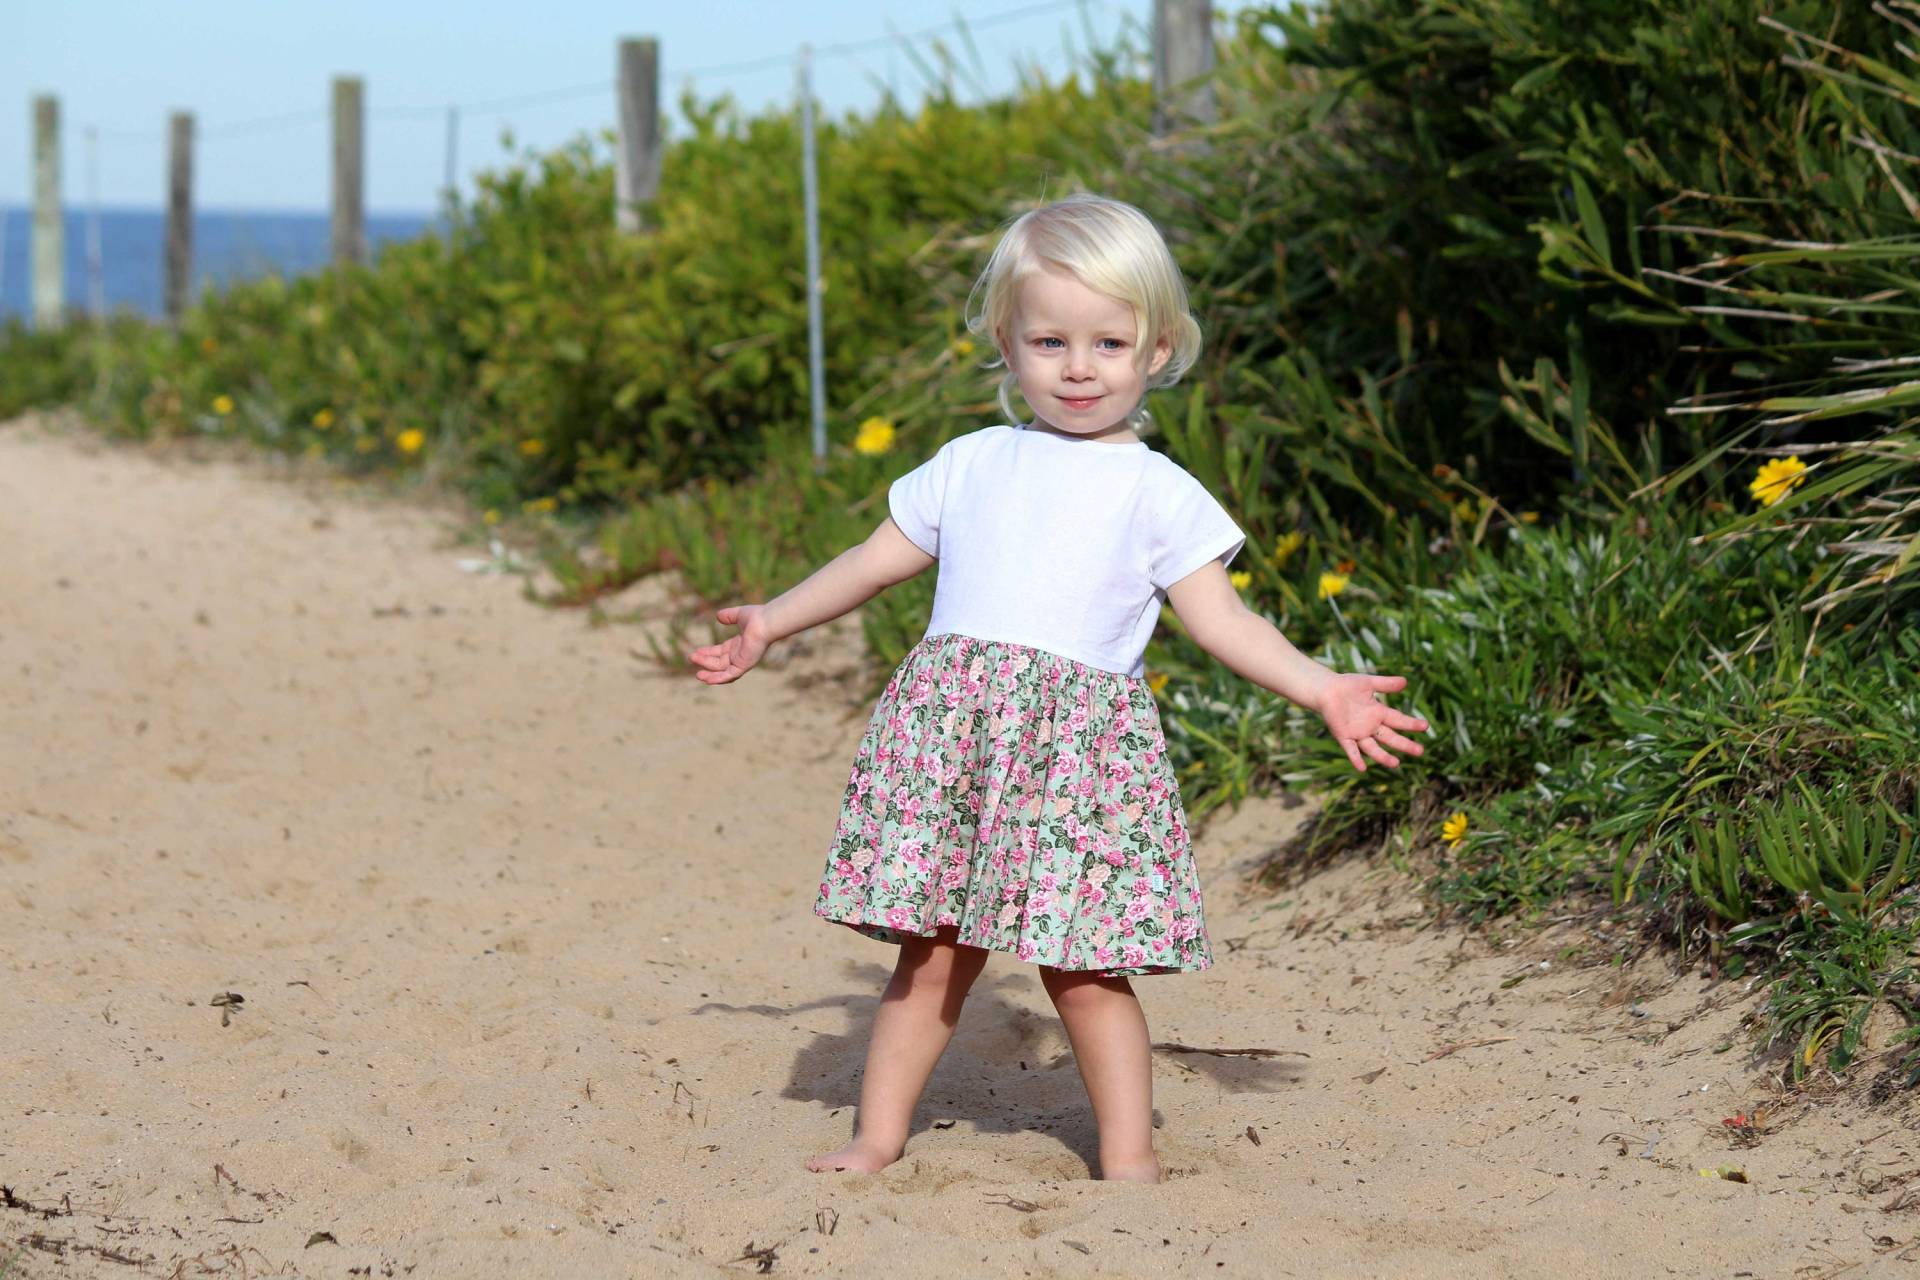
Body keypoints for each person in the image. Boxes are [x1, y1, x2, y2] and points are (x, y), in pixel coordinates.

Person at [687, 193, 1428, 1183]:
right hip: (952, 744)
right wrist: (775, 619)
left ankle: (1130, 1158)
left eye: (1109, 342)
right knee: (934, 948)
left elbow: (1224, 621)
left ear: (1157, 349)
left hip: (1072, 756)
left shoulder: (1159, 490)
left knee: (1082, 965)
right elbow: (873, 560)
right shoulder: (969, 464)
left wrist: (1323, 688)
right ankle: (877, 1137)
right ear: (1008, 341)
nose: (1080, 367)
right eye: (1050, 340)